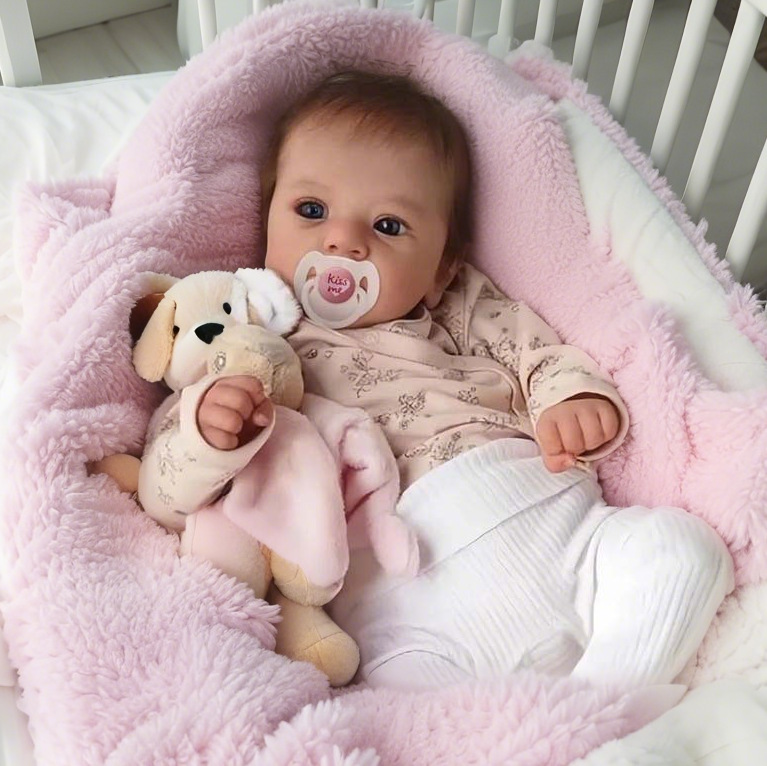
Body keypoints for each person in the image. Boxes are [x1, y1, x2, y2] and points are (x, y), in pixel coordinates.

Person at [142, 71, 734, 691]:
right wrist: (210, 431)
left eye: (388, 226)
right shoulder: (243, 337)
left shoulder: (458, 305)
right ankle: (584, 713)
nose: (342, 241)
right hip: (405, 597)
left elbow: (539, 354)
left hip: (549, 521)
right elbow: (167, 482)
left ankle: (606, 697)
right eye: (311, 211)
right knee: (396, 701)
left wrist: (573, 398)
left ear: (441, 268)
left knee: (685, 549)